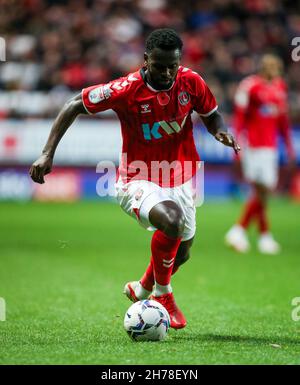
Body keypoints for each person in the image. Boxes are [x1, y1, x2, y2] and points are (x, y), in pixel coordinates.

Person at [30, 29, 240, 329]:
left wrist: (219, 131)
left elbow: (212, 114)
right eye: (160, 65)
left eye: (173, 65)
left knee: (182, 251)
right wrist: (47, 154)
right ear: (146, 60)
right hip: (137, 177)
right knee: (172, 220)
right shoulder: (126, 89)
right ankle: (163, 295)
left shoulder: (191, 81)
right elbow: (74, 104)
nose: (167, 72)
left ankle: (141, 288)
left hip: (179, 177)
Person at [225, 54, 295, 255]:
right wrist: (236, 144)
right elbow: (239, 117)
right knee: (263, 190)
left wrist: (289, 147)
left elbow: (283, 121)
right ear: (263, 67)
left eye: (276, 66)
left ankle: (254, 235)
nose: (274, 70)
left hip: (270, 147)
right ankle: (244, 232)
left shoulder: (280, 87)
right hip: (253, 145)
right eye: (270, 66)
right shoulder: (250, 86)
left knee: (262, 192)